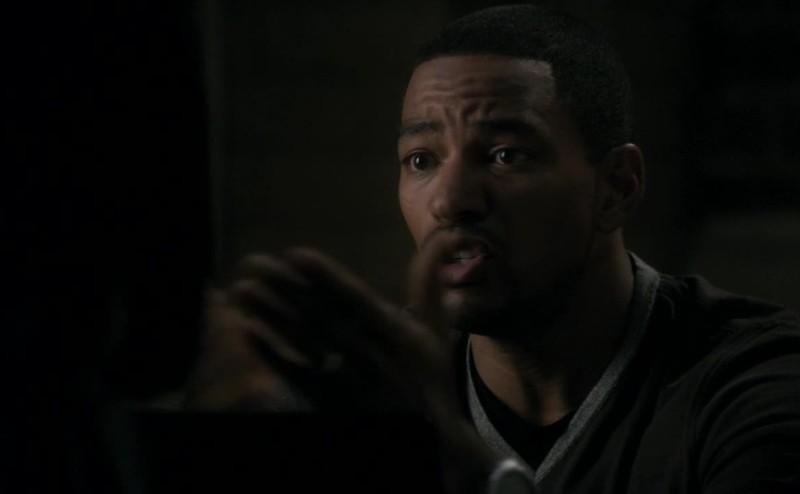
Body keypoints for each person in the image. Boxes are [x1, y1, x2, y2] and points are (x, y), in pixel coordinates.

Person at [183, 4, 800, 493]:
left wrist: (443, 455)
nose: (452, 200)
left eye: (506, 154)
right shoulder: (378, 380)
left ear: (616, 187)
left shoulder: (752, 384)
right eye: (421, 160)